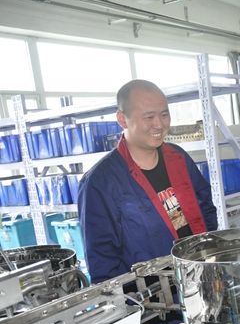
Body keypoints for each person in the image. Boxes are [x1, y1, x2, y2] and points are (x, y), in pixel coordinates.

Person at [78, 79, 218, 283]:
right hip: (150, 295)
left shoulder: (178, 158)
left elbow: (205, 206)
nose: (159, 124)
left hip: (196, 277)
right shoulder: (100, 182)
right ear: (122, 119)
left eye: (164, 114)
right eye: (149, 117)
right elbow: (102, 259)